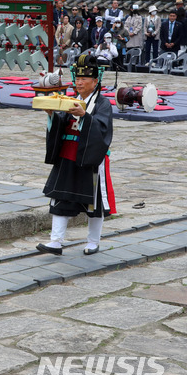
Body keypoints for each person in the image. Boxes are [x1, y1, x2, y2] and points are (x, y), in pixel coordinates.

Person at [36, 54, 115, 256]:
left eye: (84, 79)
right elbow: (61, 122)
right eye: (77, 79)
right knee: (60, 196)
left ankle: (93, 241)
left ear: (95, 81)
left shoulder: (102, 104)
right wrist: (52, 114)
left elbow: (103, 130)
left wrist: (85, 116)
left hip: (90, 157)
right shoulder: (71, 100)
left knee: (93, 202)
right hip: (67, 155)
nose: (79, 83)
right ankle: (55, 241)